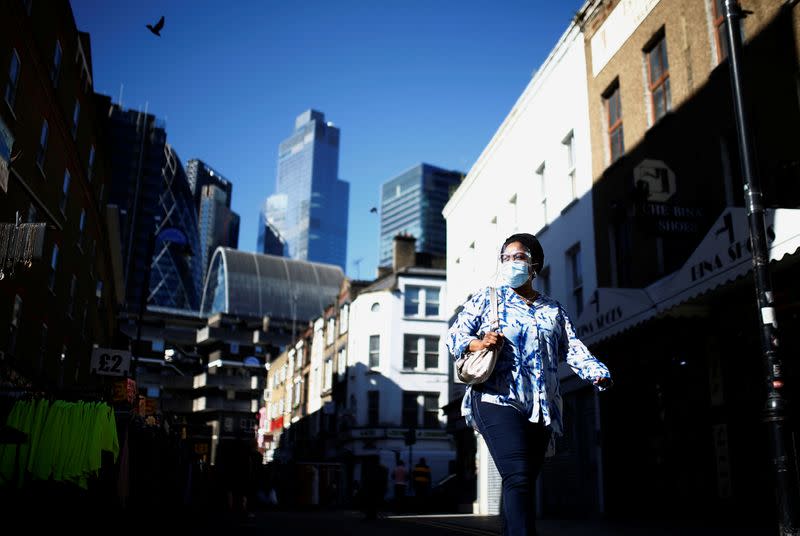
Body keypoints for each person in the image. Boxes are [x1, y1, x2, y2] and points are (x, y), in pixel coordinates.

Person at [446, 233, 612, 536]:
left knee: (521, 484)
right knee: (518, 477)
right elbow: (454, 335)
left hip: (540, 407)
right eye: (505, 258)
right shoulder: (489, 298)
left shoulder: (553, 310)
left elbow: (573, 348)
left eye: (518, 257)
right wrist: (479, 342)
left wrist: (596, 372)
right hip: (496, 399)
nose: (511, 263)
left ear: (534, 264)